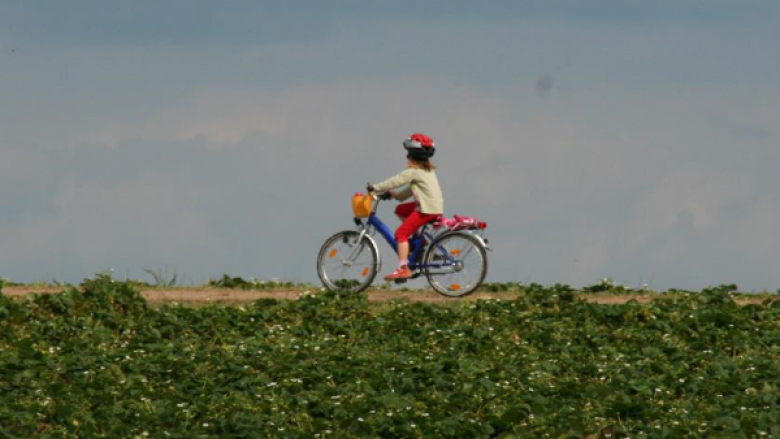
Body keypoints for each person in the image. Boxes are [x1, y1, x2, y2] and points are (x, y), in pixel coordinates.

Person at [368, 133, 444, 280]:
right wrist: (396, 196)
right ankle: (419, 243)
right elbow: (412, 189)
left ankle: (404, 268)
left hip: (426, 209)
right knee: (401, 210)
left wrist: (375, 188)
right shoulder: (426, 171)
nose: (406, 157)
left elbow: (395, 180)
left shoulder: (413, 172)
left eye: (408, 154)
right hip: (431, 207)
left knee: (401, 234)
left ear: (413, 155)